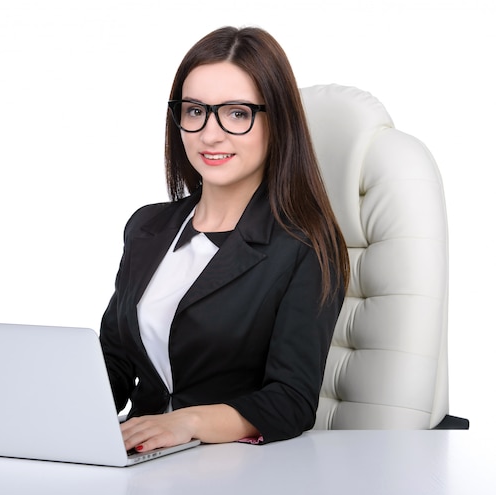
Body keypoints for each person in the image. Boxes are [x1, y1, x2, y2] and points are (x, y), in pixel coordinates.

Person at [99, 26, 349, 453]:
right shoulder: (147, 228)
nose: (210, 134)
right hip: (136, 456)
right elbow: (117, 362)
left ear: (278, 121)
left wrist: (188, 422)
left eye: (236, 113)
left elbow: (291, 400)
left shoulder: (304, 246)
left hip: (229, 464)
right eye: (195, 111)